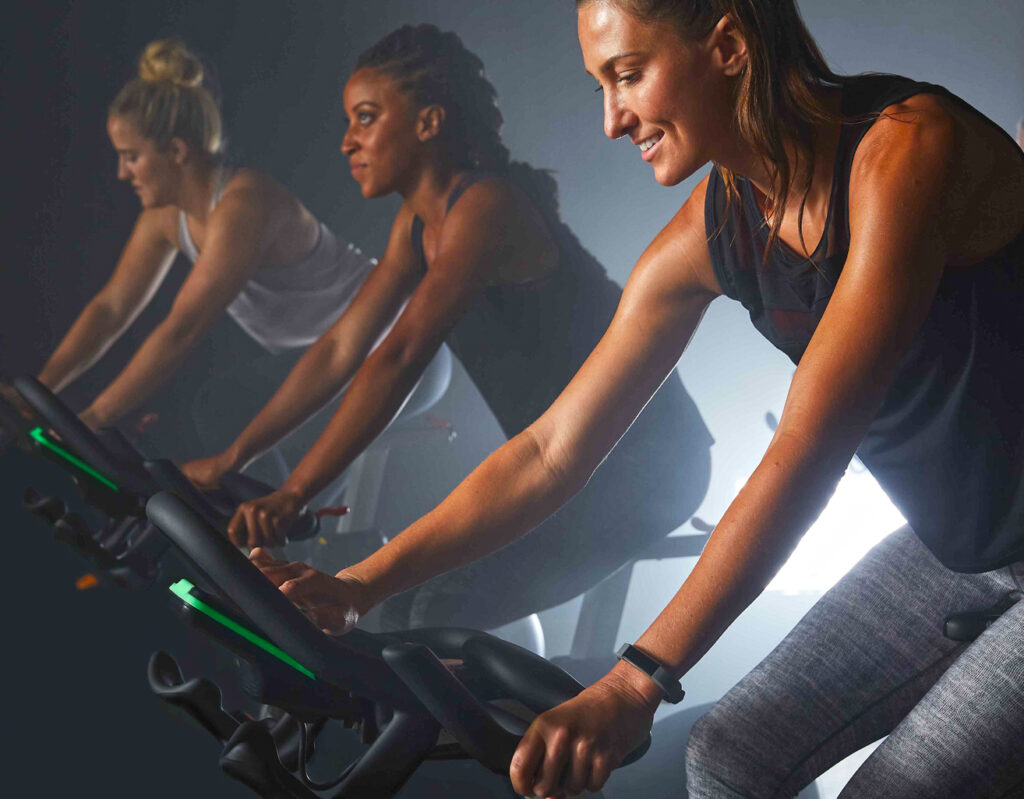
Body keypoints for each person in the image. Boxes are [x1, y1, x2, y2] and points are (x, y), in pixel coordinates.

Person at [254, 2, 1024, 797]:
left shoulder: (904, 149)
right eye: (599, 85)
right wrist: (361, 584)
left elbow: (807, 449)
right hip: (955, 551)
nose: (613, 121)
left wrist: (637, 679)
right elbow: (552, 451)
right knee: (728, 757)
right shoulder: (715, 225)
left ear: (725, 46)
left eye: (627, 75)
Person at [207, 23, 712, 632]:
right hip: (571, 460)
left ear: (428, 123)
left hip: (649, 464)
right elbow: (344, 346)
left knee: (435, 608)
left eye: (366, 119)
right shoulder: (417, 227)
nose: (347, 142)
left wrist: (295, 494)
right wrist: (232, 458)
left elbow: (400, 355)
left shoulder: (485, 208)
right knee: (411, 608)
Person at [0, 39, 377, 456]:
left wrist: (89, 423)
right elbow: (111, 309)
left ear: (176, 151)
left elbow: (182, 329)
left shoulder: (243, 204)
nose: (122, 173)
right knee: (204, 421)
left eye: (131, 157)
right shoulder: (165, 218)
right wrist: (38, 394)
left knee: (219, 412)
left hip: (384, 342)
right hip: (318, 356)